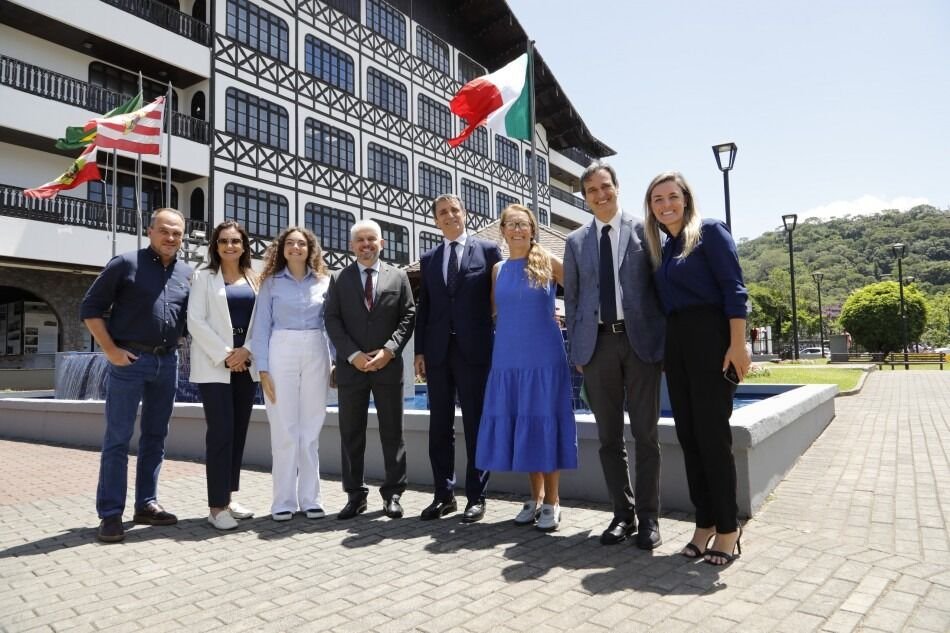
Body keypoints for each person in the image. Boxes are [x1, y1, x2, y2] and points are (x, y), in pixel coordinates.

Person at [643, 171, 751, 565]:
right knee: (689, 438)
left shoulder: (710, 231)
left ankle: (728, 527)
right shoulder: (664, 248)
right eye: (657, 199)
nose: (665, 204)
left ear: (685, 199)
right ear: (650, 208)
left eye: (672, 196)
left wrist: (738, 345)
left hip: (711, 341)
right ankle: (703, 523)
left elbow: (734, 289)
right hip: (679, 346)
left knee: (712, 438)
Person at [563, 161, 666, 549]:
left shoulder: (645, 230)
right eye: (592, 191)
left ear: (617, 187)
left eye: (605, 187)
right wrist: (577, 348)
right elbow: (572, 300)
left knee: (646, 434)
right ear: (585, 197)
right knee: (609, 438)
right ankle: (622, 515)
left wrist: (663, 344)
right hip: (597, 346)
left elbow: (660, 290)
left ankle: (650, 519)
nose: (600, 195)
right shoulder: (575, 242)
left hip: (641, 344)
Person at [80, 208, 191, 543]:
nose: (171, 238)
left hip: (166, 362)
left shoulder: (187, 273)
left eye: (177, 233)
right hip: (129, 360)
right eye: (165, 231)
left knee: (156, 437)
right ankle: (111, 514)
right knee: (117, 439)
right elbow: (90, 309)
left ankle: (146, 504)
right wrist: (111, 350)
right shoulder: (125, 263)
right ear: (150, 231)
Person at [475, 204, 577, 532]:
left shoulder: (547, 261)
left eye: (524, 224)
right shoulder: (498, 269)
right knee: (523, 423)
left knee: (544, 418)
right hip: (508, 357)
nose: (518, 229)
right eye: (512, 224)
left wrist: (564, 316)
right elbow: (494, 312)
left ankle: (553, 501)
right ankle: (534, 498)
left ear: (532, 230)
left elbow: (581, 289)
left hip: (544, 355)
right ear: (502, 230)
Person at [414, 194, 502, 522]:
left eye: (455, 210)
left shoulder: (488, 252)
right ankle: (443, 495)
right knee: (440, 427)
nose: (450, 215)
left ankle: (476, 497)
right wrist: (420, 350)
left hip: (475, 351)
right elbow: (426, 308)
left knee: (476, 424)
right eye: (442, 213)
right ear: (436, 221)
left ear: (465, 214)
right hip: (438, 352)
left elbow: (496, 299)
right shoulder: (429, 258)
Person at [324, 219, 416, 520]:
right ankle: (354, 496)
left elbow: (408, 316)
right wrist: (352, 355)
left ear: (381, 243)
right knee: (351, 433)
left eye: (371, 240)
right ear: (352, 246)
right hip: (353, 370)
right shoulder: (339, 278)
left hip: (388, 367)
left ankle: (393, 494)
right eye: (360, 240)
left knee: (393, 433)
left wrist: (390, 350)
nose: (366, 245)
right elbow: (332, 320)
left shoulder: (399, 276)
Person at [250, 227, 333, 522]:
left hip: (315, 348)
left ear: (310, 248)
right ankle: (283, 500)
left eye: (301, 243)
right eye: (290, 243)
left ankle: (311, 499)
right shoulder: (271, 283)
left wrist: (334, 361)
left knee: (311, 428)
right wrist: (262, 368)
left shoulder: (325, 281)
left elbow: (330, 324)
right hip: (280, 348)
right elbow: (260, 326)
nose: (296, 247)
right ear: (282, 249)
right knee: (283, 428)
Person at [187, 220, 259, 530]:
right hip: (215, 367)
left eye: (235, 241)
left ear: (244, 245)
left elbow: (264, 321)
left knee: (238, 433)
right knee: (220, 434)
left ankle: (228, 498)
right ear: (215, 246)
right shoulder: (203, 277)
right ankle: (216, 508)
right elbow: (195, 321)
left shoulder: (255, 279)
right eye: (223, 241)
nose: (230, 246)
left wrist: (247, 351)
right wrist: (227, 354)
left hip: (247, 366)